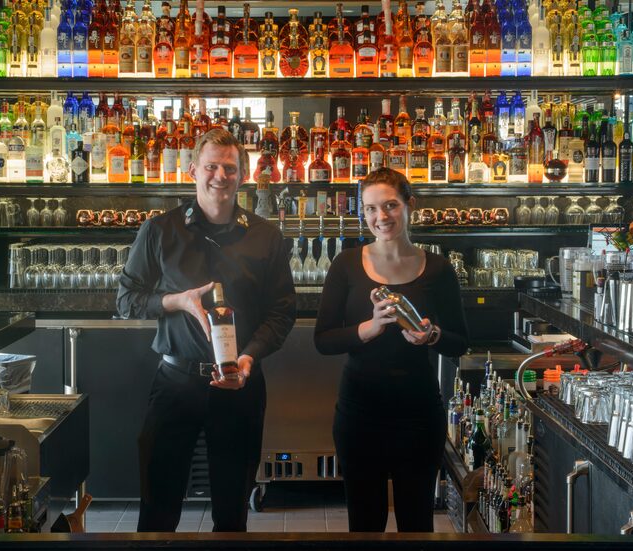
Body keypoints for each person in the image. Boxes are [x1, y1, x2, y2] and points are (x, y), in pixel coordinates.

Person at [117, 128, 296, 532]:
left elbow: (282, 313)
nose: (220, 175)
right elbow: (126, 300)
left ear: (243, 176)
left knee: (232, 513)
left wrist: (248, 359)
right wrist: (176, 301)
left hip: (240, 385)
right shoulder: (159, 230)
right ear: (193, 170)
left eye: (229, 168)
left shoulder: (267, 236)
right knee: (158, 507)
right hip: (175, 382)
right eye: (211, 166)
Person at [314, 168, 469, 532]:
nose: (380, 217)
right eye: (370, 209)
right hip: (359, 415)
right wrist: (368, 329)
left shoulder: (438, 269)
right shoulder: (346, 265)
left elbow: (460, 342)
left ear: (409, 205)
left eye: (390, 206)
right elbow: (322, 340)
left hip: (418, 415)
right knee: (364, 525)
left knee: (416, 524)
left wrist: (432, 336)